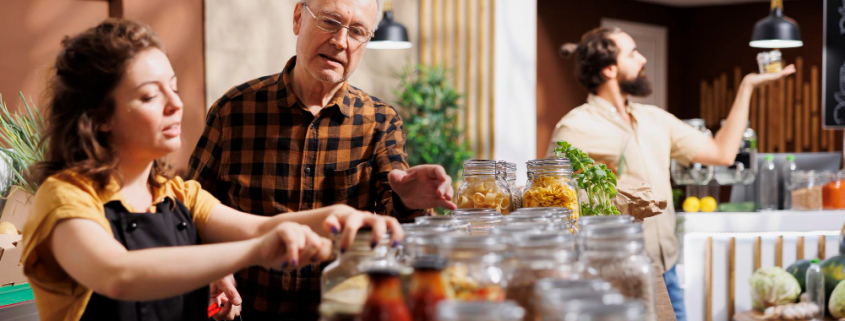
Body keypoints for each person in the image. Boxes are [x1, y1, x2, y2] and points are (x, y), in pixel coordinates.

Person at [20, 18, 402, 321]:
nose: (176, 104)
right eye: (151, 95)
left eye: (173, 87)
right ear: (100, 117)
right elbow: (119, 274)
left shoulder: (175, 193)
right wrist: (255, 252)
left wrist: (342, 217)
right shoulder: (65, 196)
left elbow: (262, 226)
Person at [186, 0, 455, 319]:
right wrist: (215, 268)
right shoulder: (234, 110)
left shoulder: (380, 122)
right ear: (299, 18)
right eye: (330, 22)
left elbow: (396, 228)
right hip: (246, 309)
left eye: (357, 32)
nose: (341, 42)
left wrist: (409, 201)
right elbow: (188, 211)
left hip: (341, 312)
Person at [548, 27, 795, 321]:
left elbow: (721, 153)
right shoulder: (575, 127)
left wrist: (747, 87)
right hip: (613, 273)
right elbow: (553, 203)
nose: (642, 60)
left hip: (666, 271)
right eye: (632, 53)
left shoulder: (655, 119)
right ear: (610, 69)